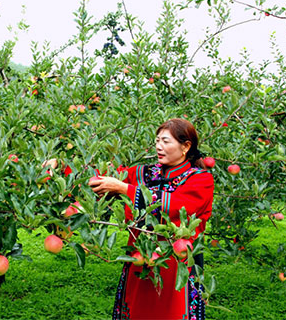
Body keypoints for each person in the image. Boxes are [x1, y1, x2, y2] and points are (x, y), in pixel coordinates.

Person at [89, 118, 214, 320]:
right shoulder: (143, 173)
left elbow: (175, 206)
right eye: (157, 141)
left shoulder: (200, 179)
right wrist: (61, 166)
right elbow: (102, 178)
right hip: (141, 260)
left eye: (166, 141)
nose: (159, 146)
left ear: (186, 146)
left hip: (175, 264)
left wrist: (124, 189)